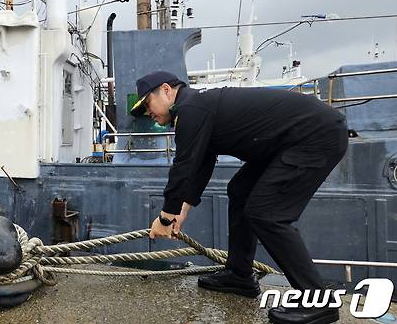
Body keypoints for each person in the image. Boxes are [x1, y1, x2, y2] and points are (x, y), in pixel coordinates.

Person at [132, 71, 348, 324]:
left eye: (148, 104)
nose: (149, 113)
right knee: (240, 190)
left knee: (267, 214)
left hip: (313, 137)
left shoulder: (191, 109)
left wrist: (166, 217)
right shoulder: (197, 106)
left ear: (167, 90)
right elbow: (203, 161)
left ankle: (317, 300)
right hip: (290, 142)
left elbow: (184, 165)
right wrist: (184, 208)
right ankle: (239, 275)